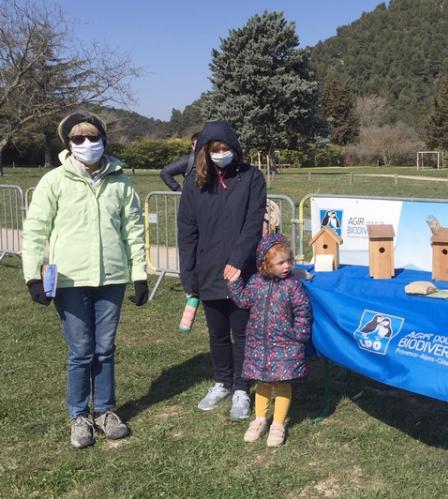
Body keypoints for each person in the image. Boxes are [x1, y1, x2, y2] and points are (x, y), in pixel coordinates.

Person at [22, 111, 149, 449]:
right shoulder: (54, 181)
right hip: (69, 279)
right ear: (68, 144)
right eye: (78, 138)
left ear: (103, 140)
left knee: (105, 349)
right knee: (81, 351)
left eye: (93, 137)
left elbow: (133, 231)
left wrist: (139, 275)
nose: (87, 143)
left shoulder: (121, 181)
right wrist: (33, 276)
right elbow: (35, 230)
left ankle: (105, 411)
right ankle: (79, 416)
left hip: (112, 279)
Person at [177, 120, 266, 420]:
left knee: (242, 333)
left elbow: (253, 224)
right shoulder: (194, 182)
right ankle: (222, 382)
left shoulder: (252, 178)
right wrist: (188, 273)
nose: (221, 154)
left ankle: (242, 387)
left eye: (226, 148)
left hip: (242, 271)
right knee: (217, 334)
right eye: (215, 150)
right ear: (205, 151)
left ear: (235, 149)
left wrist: (238, 261)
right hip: (208, 270)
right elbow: (186, 230)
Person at [227, 233, 312, 447]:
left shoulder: (292, 285)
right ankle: (259, 420)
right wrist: (235, 283)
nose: (287, 266)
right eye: (280, 262)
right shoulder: (256, 282)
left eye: (289, 261)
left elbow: (303, 310)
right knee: (262, 382)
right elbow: (244, 301)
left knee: (282, 383)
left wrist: (300, 334)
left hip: (285, 344)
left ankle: (278, 424)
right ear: (265, 264)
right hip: (258, 345)